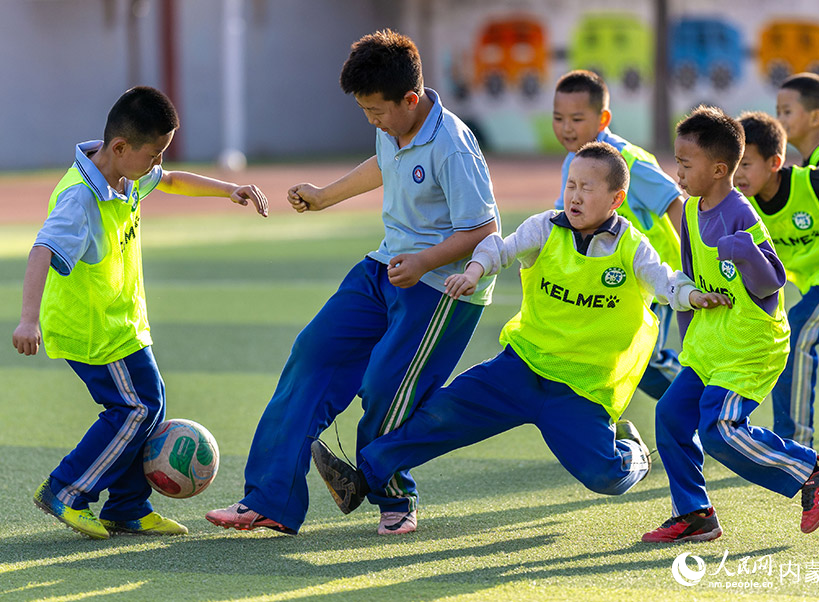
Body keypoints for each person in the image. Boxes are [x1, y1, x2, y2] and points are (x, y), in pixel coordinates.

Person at [308, 142, 730, 524]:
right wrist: (474, 270)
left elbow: (664, 282)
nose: (576, 195)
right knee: (442, 415)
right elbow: (501, 247)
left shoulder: (632, 247)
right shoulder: (545, 226)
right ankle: (361, 479)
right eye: (571, 184)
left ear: (616, 198)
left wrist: (693, 296)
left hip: (580, 389)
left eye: (588, 187)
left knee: (606, 476)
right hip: (520, 368)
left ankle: (634, 453)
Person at [206, 29, 499, 536]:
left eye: (377, 111)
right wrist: (324, 196)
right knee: (312, 353)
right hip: (385, 266)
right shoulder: (393, 123)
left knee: (387, 385)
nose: (372, 121)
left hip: (443, 288)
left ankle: (394, 496)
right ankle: (271, 499)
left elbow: (484, 231)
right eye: (364, 112)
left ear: (411, 99)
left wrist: (426, 261)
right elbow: (384, 164)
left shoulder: (453, 146)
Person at [12, 86, 269, 540]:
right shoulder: (81, 199)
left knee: (150, 405)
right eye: (155, 153)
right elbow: (41, 250)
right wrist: (27, 319)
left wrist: (229, 189)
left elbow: (170, 180)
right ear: (120, 146)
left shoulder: (124, 176)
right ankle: (66, 489)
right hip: (91, 330)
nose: (157, 164)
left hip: (122, 323)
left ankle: (128, 507)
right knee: (134, 408)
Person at [642, 106, 819, 543]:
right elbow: (689, 282)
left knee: (719, 432)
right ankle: (694, 514)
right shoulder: (692, 212)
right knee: (671, 414)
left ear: (718, 169)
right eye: (676, 160)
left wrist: (745, 252)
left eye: (685, 163)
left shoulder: (742, 216)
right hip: (710, 345)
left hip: (752, 346)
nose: (677, 171)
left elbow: (771, 282)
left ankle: (813, 469)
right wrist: (687, 340)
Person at [735, 111, 819, 446]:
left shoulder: (815, 183)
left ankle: (794, 444)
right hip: (818, 283)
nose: (738, 175)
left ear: (775, 162)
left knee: (799, 329)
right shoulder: (745, 208)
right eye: (733, 164)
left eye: (746, 164)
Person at [551, 70, 685, 399]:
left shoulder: (629, 161)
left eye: (576, 118)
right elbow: (562, 219)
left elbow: (674, 202)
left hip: (654, 277)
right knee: (604, 353)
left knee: (645, 358)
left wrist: (693, 259)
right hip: (612, 279)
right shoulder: (576, 161)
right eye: (558, 118)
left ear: (603, 118)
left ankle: (697, 399)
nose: (566, 127)